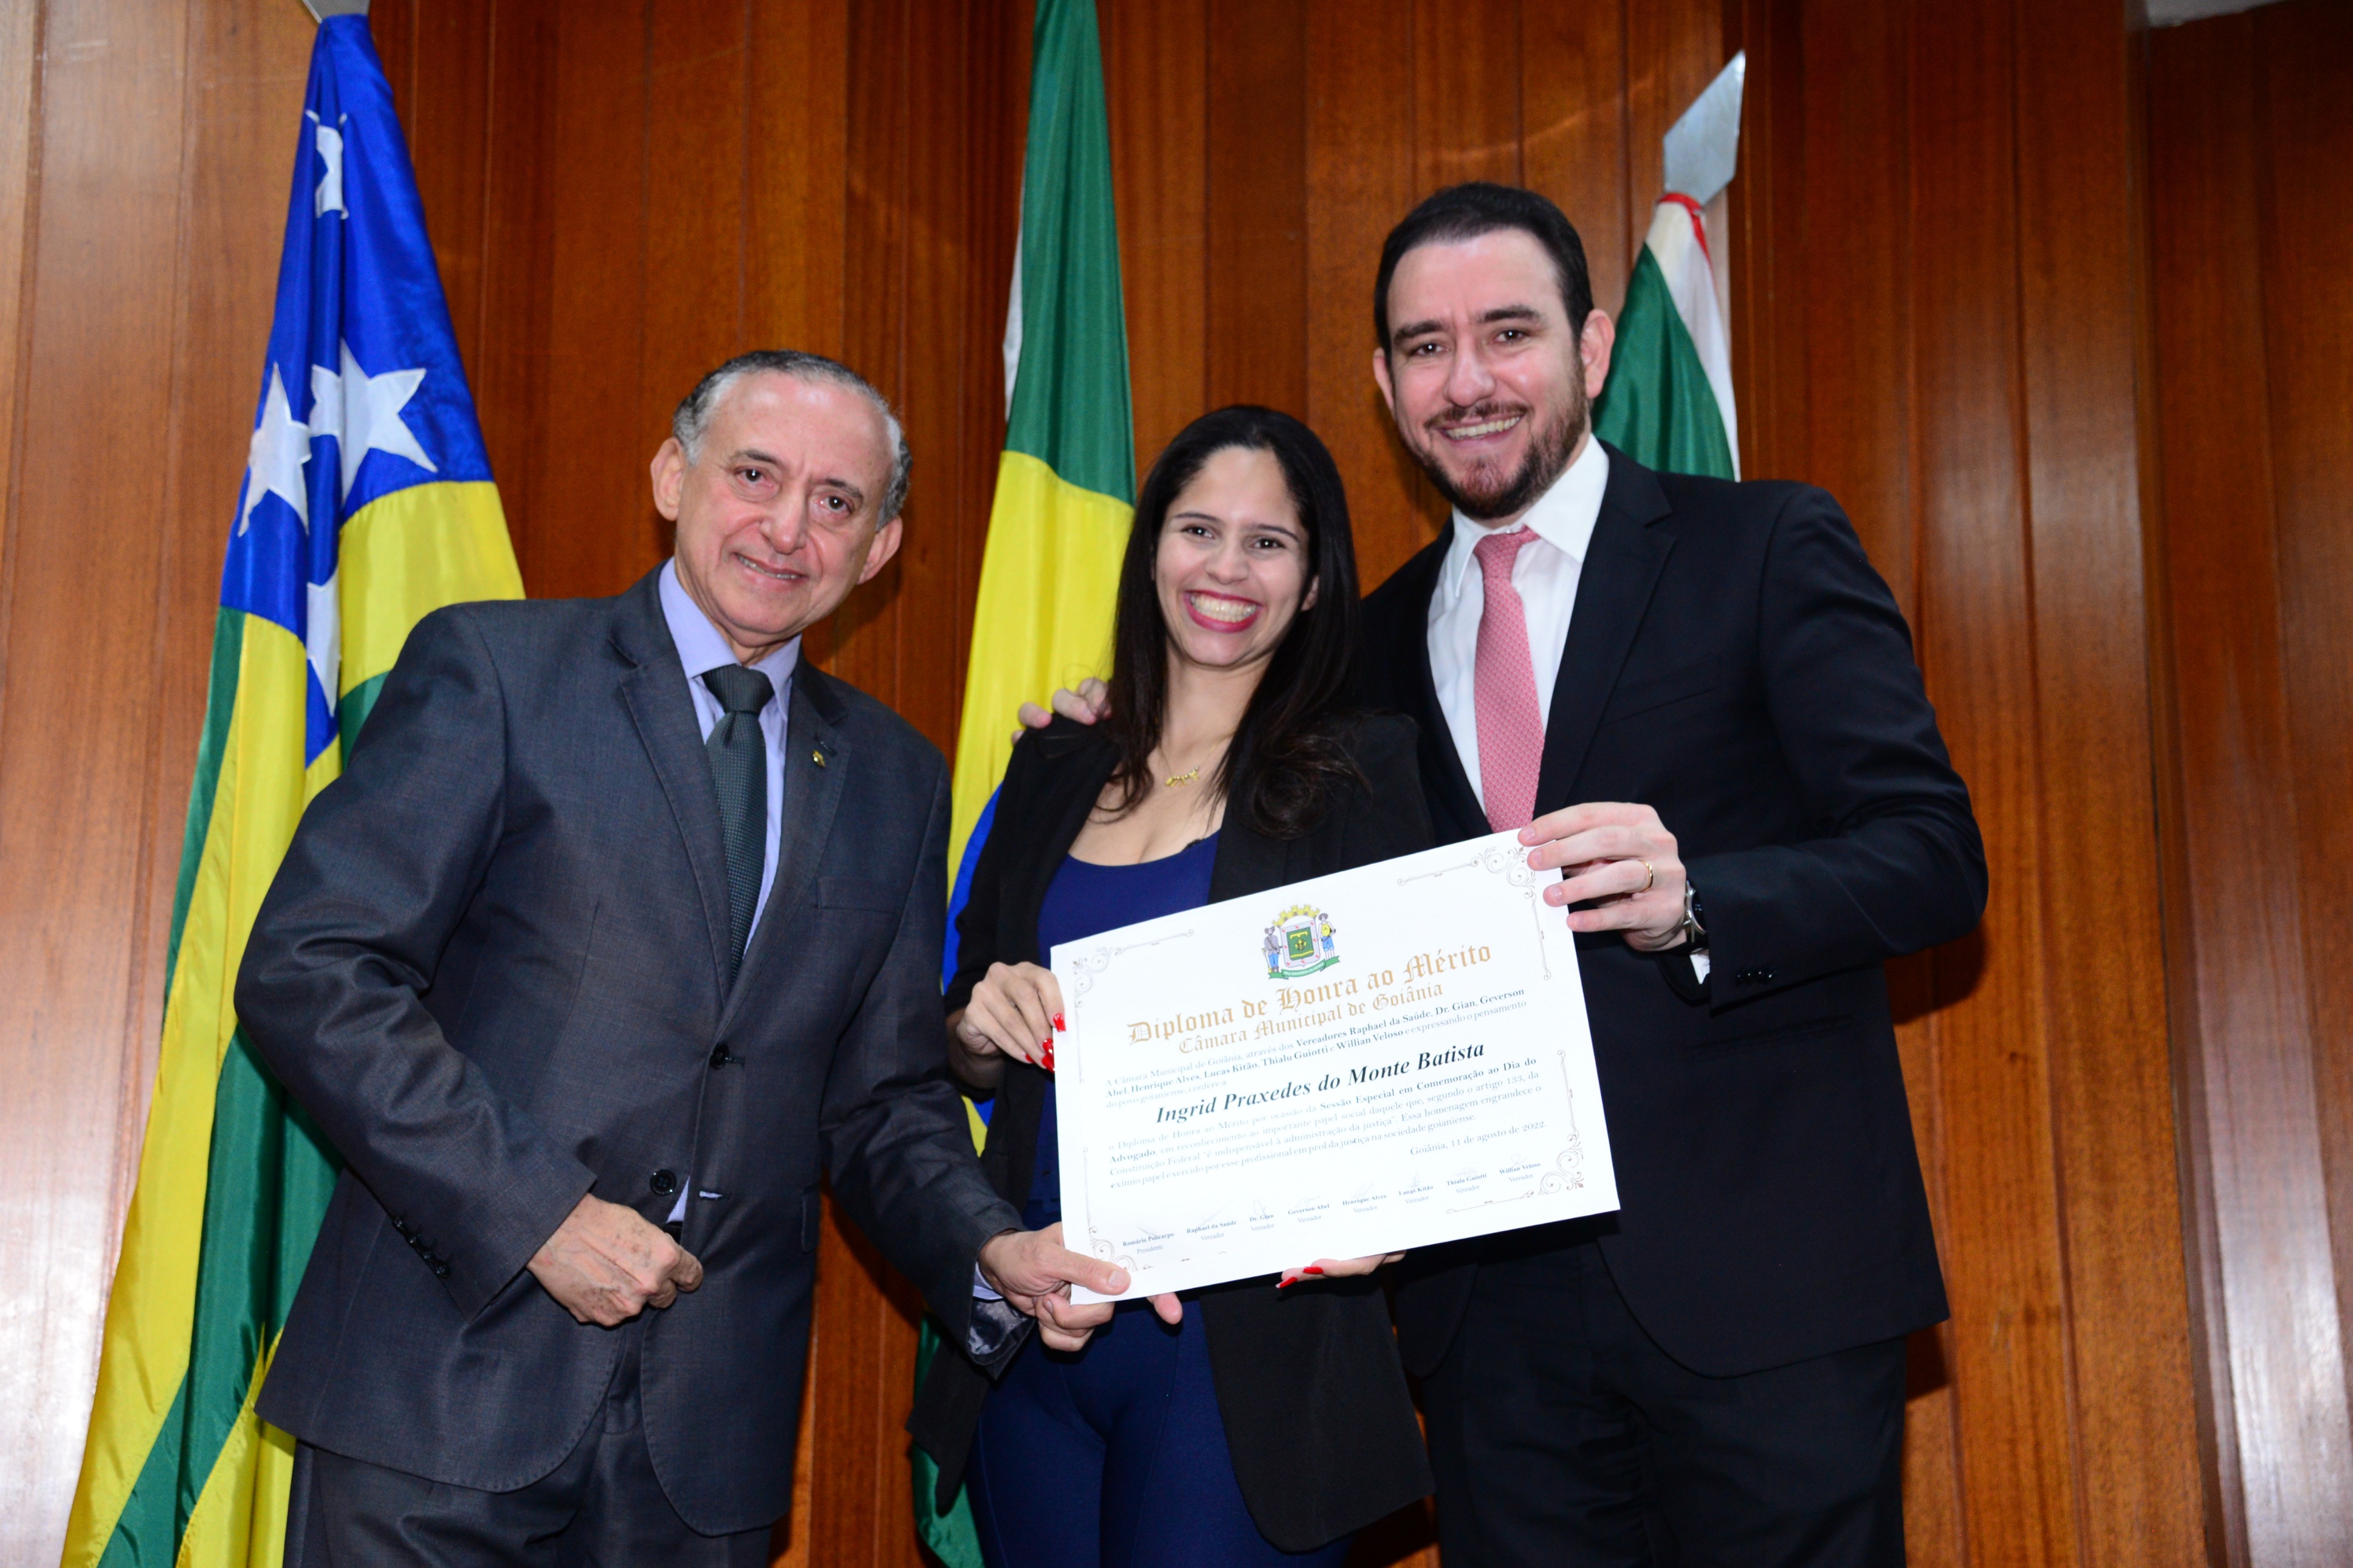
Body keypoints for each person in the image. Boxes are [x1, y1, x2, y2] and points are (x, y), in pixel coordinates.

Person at [1031, 185, 1987, 1566]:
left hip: (1764, 1283)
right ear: (1385, 384)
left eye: (1508, 333)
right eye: (1427, 347)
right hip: (1487, 1326)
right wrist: (1103, 733)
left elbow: (1933, 857)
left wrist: (1699, 899)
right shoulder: (1357, 651)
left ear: (1590, 349)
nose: (1467, 380)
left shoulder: (1764, 546)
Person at [238, 349, 1125, 1566]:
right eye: (754, 474)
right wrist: (536, 1214)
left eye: (836, 501)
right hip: (437, 1397)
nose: (788, 527)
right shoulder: (498, 670)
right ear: (672, 476)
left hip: (705, 1450)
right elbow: (313, 966)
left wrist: (985, 1247)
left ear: (879, 548)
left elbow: (880, 1101)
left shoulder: (897, 779)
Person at [909, 406, 1436, 1567]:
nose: (1226, 568)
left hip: (1244, 1351)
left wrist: (1388, 1212)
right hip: (1039, 1322)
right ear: (1153, 549)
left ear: (1314, 583)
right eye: (1200, 529)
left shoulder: (1365, 771)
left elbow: (1418, 1034)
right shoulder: (1053, 760)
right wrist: (982, 1026)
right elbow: (961, 1035)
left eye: (1268, 542)